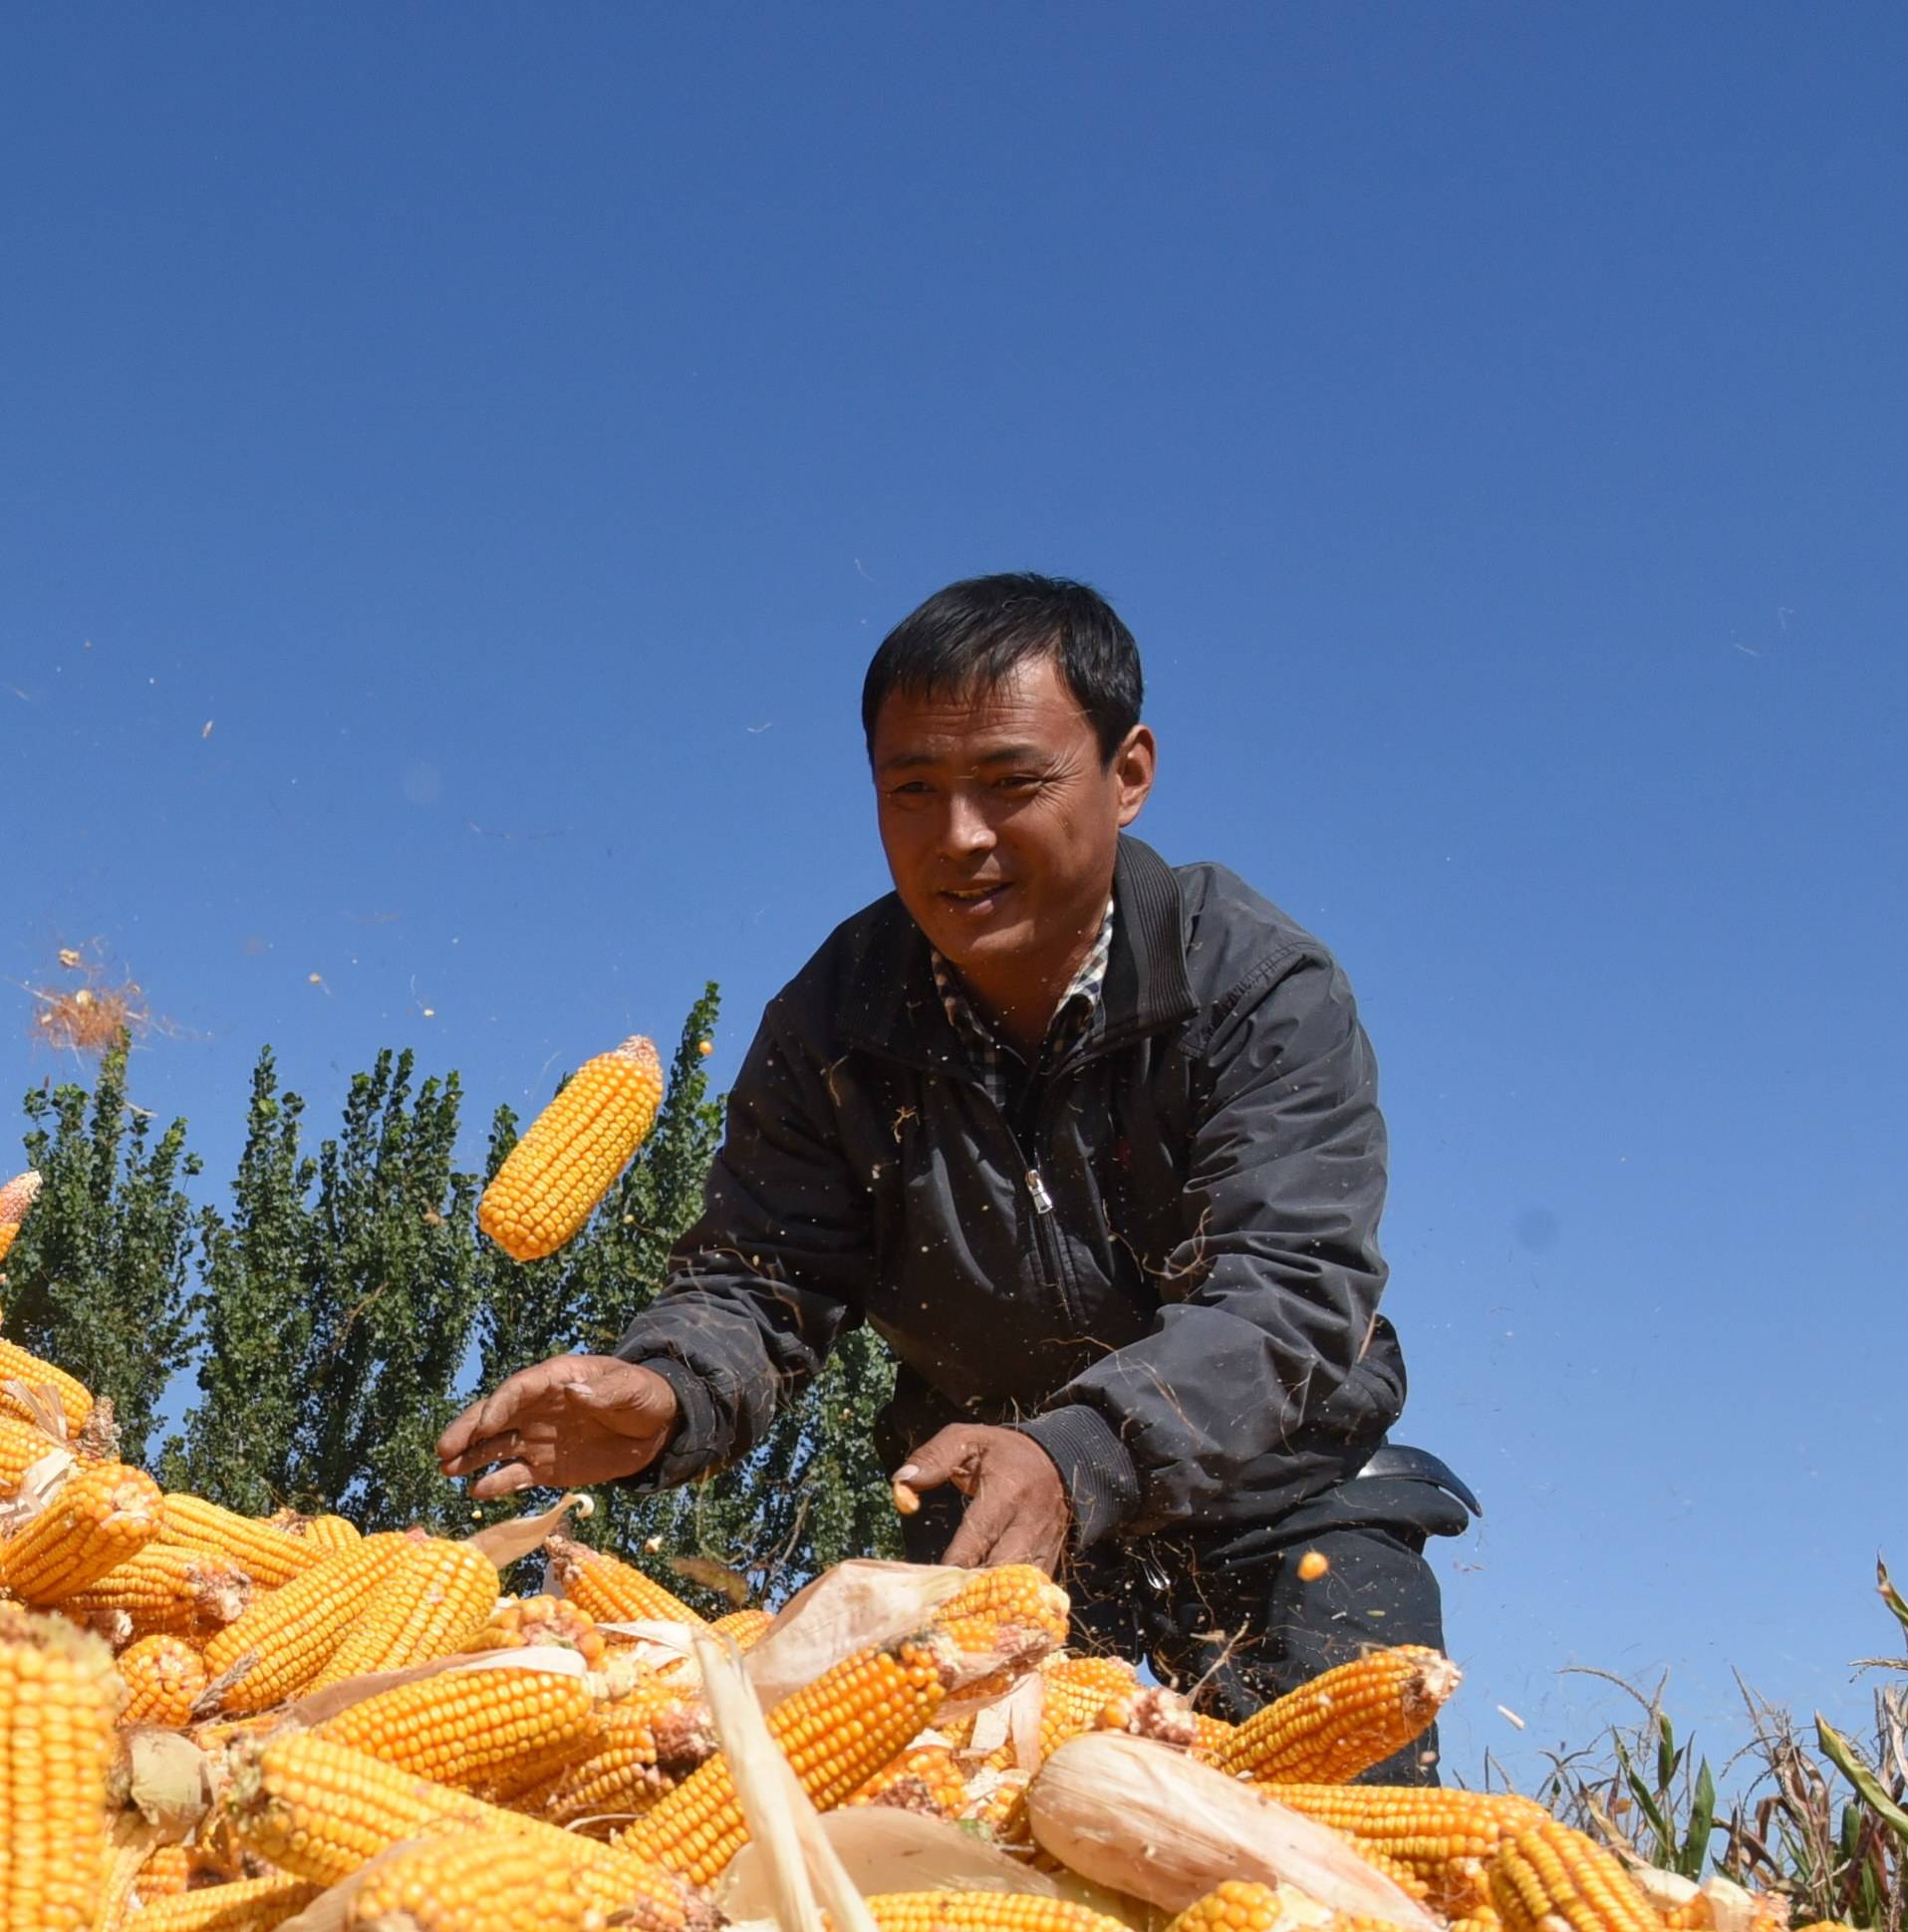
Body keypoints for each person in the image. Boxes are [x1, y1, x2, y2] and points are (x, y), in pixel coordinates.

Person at [436, 573, 1472, 1772]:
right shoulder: (832, 1024)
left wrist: (1077, 1450)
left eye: (1012, 783)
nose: (959, 838)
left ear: (1125, 773)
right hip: (982, 1507)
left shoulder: (1251, 987)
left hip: (1280, 1500)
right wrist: (667, 1389)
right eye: (911, 791)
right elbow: (761, 1279)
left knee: (1342, 1874)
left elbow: (1286, 1294)